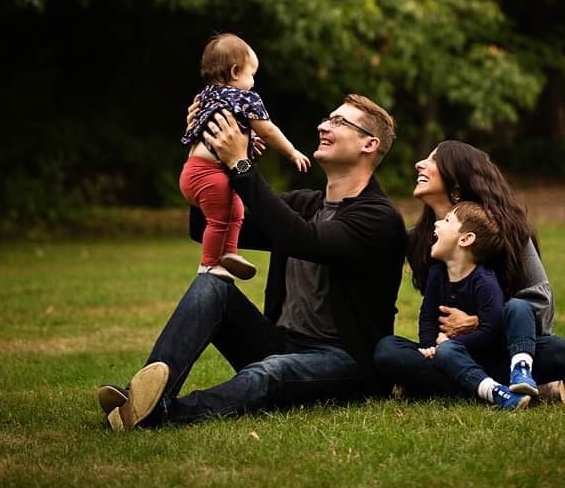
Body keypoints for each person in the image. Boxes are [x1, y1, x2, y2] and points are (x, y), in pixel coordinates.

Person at [97, 94, 406, 431]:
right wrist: (207, 154)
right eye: (327, 118)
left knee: (268, 372)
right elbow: (203, 224)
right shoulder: (305, 204)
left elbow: (303, 240)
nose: (323, 126)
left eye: (339, 122)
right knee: (212, 284)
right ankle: (144, 397)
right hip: (281, 343)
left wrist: (242, 166)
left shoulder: (379, 218)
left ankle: (163, 413)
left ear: (369, 144)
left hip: (344, 362)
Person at [374, 140, 565, 403]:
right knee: (388, 352)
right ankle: (512, 387)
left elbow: (539, 302)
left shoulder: (508, 231)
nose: (419, 163)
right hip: (448, 350)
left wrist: (481, 322)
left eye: (434, 160)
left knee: (558, 354)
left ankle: (446, 385)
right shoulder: (419, 240)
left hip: (501, 348)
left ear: (456, 187)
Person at [179, 33, 311, 280]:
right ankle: (208, 263)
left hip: (193, 170)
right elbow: (269, 130)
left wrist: (249, 142)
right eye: (252, 74)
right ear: (236, 71)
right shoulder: (245, 98)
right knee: (220, 219)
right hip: (210, 174)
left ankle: (229, 253)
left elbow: (211, 133)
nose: (253, 82)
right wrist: (291, 152)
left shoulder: (207, 96)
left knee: (236, 209)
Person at [416, 201, 531, 411]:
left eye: (447, 220)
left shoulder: (484, 281)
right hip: (453, 354)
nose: (437, 224)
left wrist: (451, 343)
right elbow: (427, 316)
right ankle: (499, 392)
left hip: (487, 351)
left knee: (520, 308)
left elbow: (491, 330)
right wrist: (428, 345)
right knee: (390, 349)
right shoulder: (436, 274)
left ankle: (521, 373)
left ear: (466, 238)